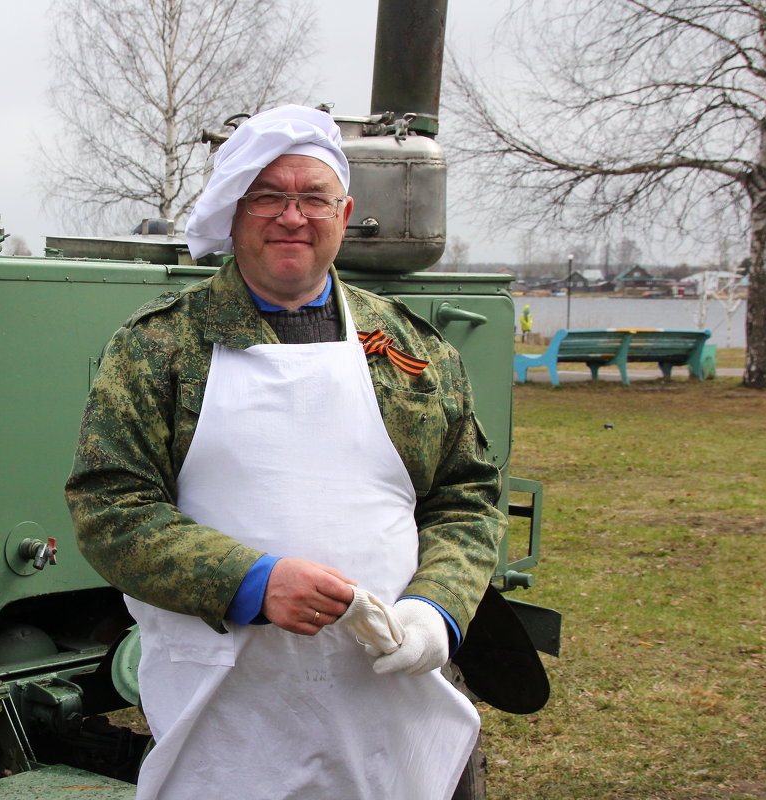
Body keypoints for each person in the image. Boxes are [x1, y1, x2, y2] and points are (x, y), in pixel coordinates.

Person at [65, 104, 504, 800]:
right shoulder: (160, 349)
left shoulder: (412, 351)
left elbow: (466, 498)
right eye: (268, 196)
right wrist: (254, 582)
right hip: (233, 711)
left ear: (346, 210)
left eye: (312, 198)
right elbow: (111, 509)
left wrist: (435, 612)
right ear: (235, 211)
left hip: (393, 706)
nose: (291, 217)